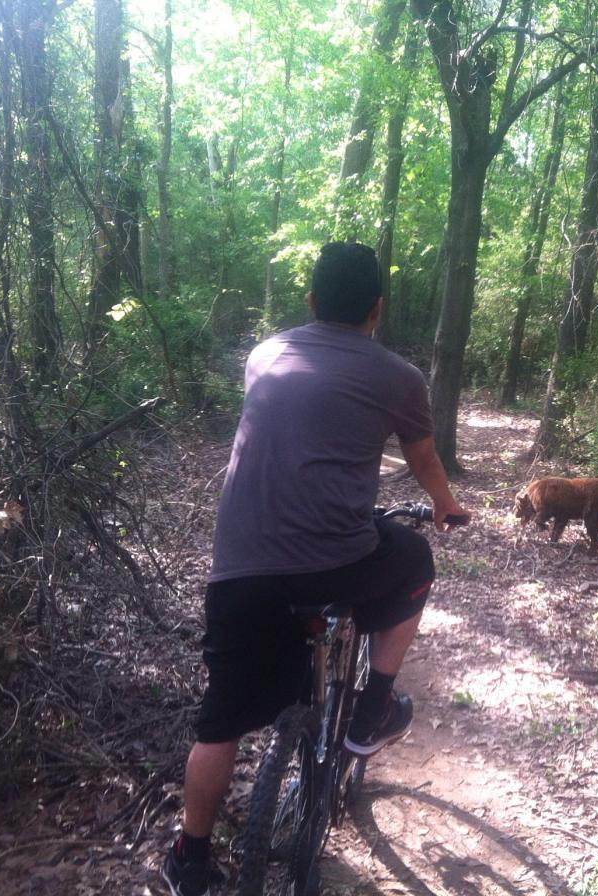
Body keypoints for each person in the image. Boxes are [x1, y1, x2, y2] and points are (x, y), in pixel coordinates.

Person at [162, 241, 470, 896]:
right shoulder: (399, 376)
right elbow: (422, 457)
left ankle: (189, 859)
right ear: (377, 310)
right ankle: (372, 711)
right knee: (413, 555)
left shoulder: (265, 356)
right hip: (333, 564)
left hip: (239, 568)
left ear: (310, 301)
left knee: (219, 723)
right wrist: (445, 505)